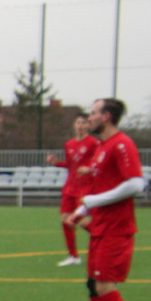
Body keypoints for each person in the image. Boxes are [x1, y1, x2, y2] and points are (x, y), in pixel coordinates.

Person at [63, 98, 146, 301]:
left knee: (105, 287)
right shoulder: (101, 147)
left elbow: (136, 184)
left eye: (94, 112)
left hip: (117, 229)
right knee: (94, 286)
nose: (89, 117)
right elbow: (101, 189)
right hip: (100, 227)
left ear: (106, 116)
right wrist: (81, 210)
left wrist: (93, 202)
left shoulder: (122, 144)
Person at [48, 114, 99, 266]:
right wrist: (57, 163)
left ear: (88, 126)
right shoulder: (69, 144)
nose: (80, 125)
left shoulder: (93, 142)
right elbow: (70, 165)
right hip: (70, 187)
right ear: (74, 125)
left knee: (80, 220)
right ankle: (73, 256)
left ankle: (105, 239)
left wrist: (90, 169)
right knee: (65, 219)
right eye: (78, 122)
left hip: (86, 187)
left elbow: (99, 162)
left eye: (83, 123)